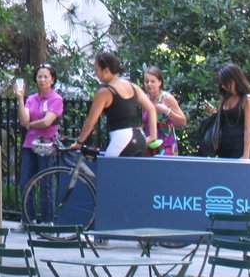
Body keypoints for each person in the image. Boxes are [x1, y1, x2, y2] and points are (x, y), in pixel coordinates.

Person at [70, 52, 157, 157]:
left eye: (97, 70)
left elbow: (91, 121)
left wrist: (79, 142)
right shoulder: (133, 86)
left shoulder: (105, 92)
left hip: (122, 138)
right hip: (139, 137)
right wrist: (153, 135)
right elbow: (151, 108)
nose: (95, 73)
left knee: (106, 171)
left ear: (106, 71)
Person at [17, 64, 64, 192]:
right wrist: (21, 99)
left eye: (45, 77)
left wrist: (30, 125)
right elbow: (24, 119)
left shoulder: (56, 99)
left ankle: (48, 213)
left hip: (47, 144)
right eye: (39, 77)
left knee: (46, 184)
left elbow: (46, 122)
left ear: (52, 80)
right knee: (25, 183)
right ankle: (28, 212)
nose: (42, 80)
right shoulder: (31, 99)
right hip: (30, 144)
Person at [205, 63, 250, 160]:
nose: (223, 86)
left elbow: (248, 129)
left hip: (238, 148)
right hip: (223, 146)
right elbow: (221, 119)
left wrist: (246, 155)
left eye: (225, 83)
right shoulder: (224, 97)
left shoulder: (247, 99)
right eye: (221, 84)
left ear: (234, 80)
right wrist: (214, 113)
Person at [142, 67, 187, 156]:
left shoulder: (167, 98)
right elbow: (145, 124)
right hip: (149, 147)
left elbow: (183, 122)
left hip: (167, 147)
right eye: (146, 81)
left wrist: (167, 111)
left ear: (160, 82)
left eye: (152, 81)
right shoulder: (145, 99)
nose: (149, 84)